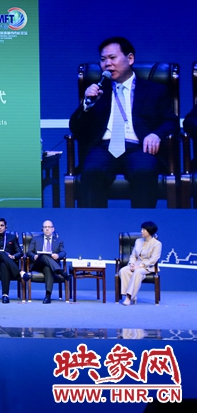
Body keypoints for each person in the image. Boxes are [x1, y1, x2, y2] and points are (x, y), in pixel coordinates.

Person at [69, 36, 179, 208]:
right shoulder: (98, 91)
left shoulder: (155, 90)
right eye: (103, 59)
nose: (107, 64)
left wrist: (156, 135)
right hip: (103, 147)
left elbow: (171, 121)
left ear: (130, 59)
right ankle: (93, 222)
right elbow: (76, 129)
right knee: (91, 172)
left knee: (144, 171)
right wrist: (86, 105)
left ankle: (144, 223)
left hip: (139, 147)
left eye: (112, 58)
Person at [119, 221, 161, 306]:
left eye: (144, 230)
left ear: (150, 231)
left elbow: (153, 260)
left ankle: (129, 297)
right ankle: (132, 296)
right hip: (136, 264)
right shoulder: (138, 241)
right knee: (123, 270)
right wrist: (131, 263)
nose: (141, 231)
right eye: (141, 229)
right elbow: (133, 255)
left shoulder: (157, 244)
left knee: (137, 272)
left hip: (148, 266)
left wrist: (139, 266)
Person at [25, 220, 69, 304]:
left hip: (51, 266)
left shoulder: (59, 241)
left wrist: (57, 255)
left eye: (49, 227)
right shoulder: (36, 239)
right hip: (38, 264)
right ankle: (61, 272)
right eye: (45, 227)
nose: (47, 229)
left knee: (48, 268)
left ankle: (48, 296)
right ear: (42, 229)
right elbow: (29, 252)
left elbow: (63, 252)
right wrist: (34, 256)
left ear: (53, 229)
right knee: (44, 255)